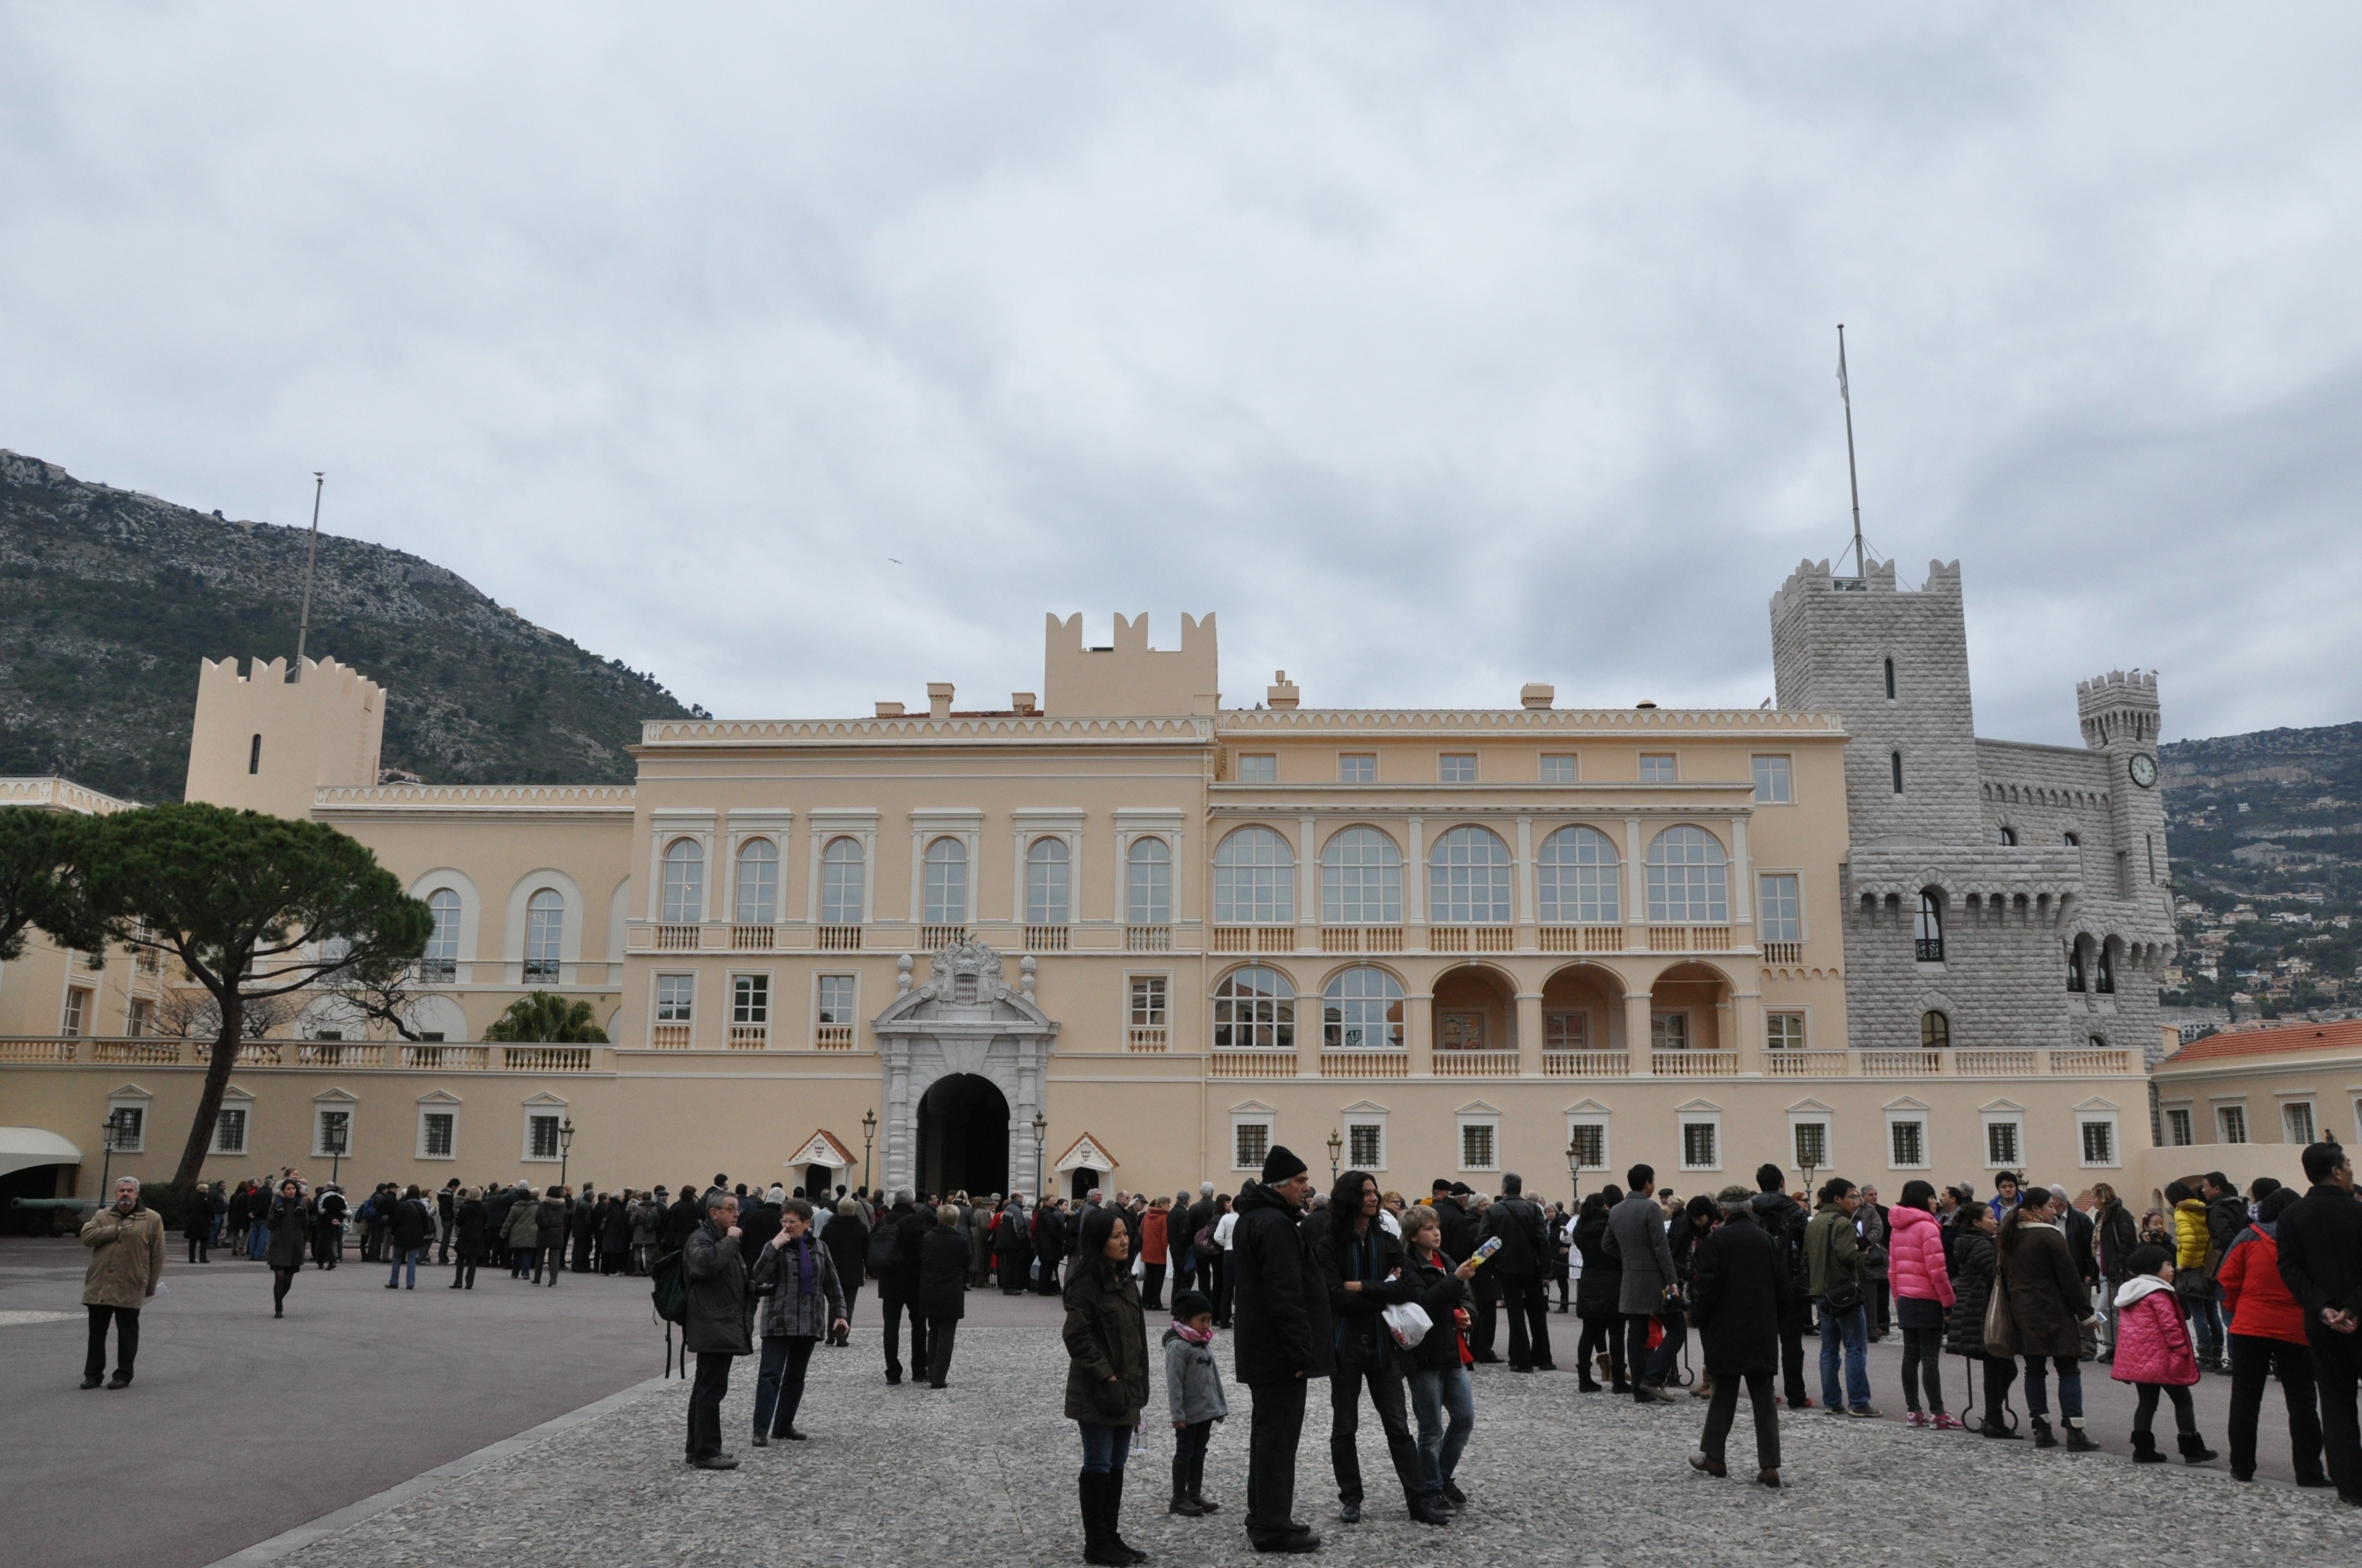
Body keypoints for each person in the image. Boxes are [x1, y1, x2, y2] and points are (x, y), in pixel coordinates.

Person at [1316, 1170, 1450, 1528]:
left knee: (1398, 1426)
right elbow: (1334, 1296)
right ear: (1350, 1199)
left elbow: (1408, 1287)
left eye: (1375, 1192)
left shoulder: (1387, 1240)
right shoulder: (1330, 1244)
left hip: (1382, 1345)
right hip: (1345, 1345)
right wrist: (1378, 1292)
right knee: (1345, 1426)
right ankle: (1351, 1497)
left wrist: (1363, 1287)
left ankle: (1418, 1500)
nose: (1374, 1198)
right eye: (1366, 1193)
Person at [1231, 1147, 1331, 1554]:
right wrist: (1299, 1352)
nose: (1307, 1189)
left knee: (1267, 1436)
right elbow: (1284, 1293)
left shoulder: (1255, 1218)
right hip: (1277, 1354)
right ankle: (1272, 1525)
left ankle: (1264, 1514)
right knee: (1277, 1439)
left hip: (1262, 1350)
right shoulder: (1274, 1224)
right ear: (1280, 1186)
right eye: (1301, 1182)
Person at [2217, 1185, 2328, 1485]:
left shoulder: (2248, 1237)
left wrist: (2236, 1308)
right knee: (2302, 1400)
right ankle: (2309, 1470)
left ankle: (2242, 1466)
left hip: (2250, 1324)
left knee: (2245, 1399)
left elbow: (2227, 1280)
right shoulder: (2307, 1241)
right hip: (2294, 1326)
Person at [2273, 1141, 2362, 1504]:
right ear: (2338, 1171)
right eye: (2349, 1164)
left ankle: (2350, 1484)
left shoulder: (2292, 1216)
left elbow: (2290, 1268)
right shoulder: (2358, 1213)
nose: (2352, 1170)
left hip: (2321, 1322)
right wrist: (2352, 1307)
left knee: (2337, 1401)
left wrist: (2322, 1306)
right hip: (2358, 1317)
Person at [1687, 1184, 1791, 1487]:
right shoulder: (1767, 1241)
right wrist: (1775, 1320)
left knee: (1724, 1394)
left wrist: (1701, 1319)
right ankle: (1770, 1464)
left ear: (1723, 1210)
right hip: (1761, 1328)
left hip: (1726, 1328)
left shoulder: (1716, 1241)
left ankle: (1715, 1456)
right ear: (1749, 1208)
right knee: (1763, 1397)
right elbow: (1783, 1287)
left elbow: (1707, 1288)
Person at [1064, 1204, 1151, 1566]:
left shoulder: (1126, 1280)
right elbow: (1077, 1336)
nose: (1124, 1241)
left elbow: (1136, 1338)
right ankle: (1096, 1542)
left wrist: (1134, 1383)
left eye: (1126, 1234)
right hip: (1098, 1390)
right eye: (1116, 1236)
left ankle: (1111, 1535)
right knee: (1098, 1463)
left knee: (1117, 1464)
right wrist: (1108, 1374)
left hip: (1127, 1388)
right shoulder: (1086, 1283)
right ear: (1099, 1242)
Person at [1999, 1183, 2100, 1450]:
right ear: (2036, 1209)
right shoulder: (2050, 1235)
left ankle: (2041, 1427)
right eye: (2050, 1206)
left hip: (2023, 1312)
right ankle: (2075, 1430)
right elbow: (2070, 1280)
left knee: (2034, 1370)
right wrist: (2086, 1315)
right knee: (2068, 1370)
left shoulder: (2009, 1235)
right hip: (2054, 1311)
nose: (2054, 1211)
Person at [1397, 1204, 1477, 1512]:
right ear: (1414, 1235)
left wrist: (1469, 1314)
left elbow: (1465, 1297)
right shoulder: (1409, 1266)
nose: (1437, 1232)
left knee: (1464, 1418)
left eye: (1437, 1227)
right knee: (1431, 1428)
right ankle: (1430, 1488)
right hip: (1424, 1354)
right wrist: (1455, 1279)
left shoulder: (1446, 1260)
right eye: (1429, 1228)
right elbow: (1423, 1304)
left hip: (1452, 1350)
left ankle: (1441, 1477)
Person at [750, 1198, 848, 1445]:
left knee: (795, 1377)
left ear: (807, 1223)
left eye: (793, 1222)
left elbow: (832, 1283)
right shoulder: (774, 1245)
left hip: (808, 1320)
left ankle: (783, 1425)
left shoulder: (820, 1248)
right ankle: (760, 1429)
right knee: (770, 1375)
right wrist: (774, 1246)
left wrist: (840, 1314)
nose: (787, 1226)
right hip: (778, 1320)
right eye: (784, 1221)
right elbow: (758, 1276)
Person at [2112, 1243, 2217, 1464]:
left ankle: (2143, 1449)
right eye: (2168, 1264)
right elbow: (2171, 1327)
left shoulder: (2131, 1293)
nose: (2172, 1269)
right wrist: (2181, 1352)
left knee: (2147, 1403)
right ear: (2154, 1269)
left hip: (2143, 1362)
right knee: (2183, 1400)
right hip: (2166, 1360)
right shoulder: (2159, 1294)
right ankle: (2191, 1448)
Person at [682, 1188, 752, 1469]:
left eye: (738, 1209)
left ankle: (696, 1447)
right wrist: (733, 1243)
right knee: (711, 1390)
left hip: (719, 1322)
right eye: (731, 1208)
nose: (737, 1214)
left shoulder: (720, 1238)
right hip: (712, 1324)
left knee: (706, 1387)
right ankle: (707, 1451)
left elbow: (728, 1277)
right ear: (714, 1212)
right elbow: (705, 1265)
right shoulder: (703, 1238)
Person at [1883, 1180, 1959, 1427]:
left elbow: (1893, 1269)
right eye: (1932, 1197)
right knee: (1929, 1358)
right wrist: (1948, 1302)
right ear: (1923, 1199)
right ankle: (1938, 1412)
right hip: (1927, 1299)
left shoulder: (1898, 1228)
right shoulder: (1928, 1228)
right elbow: (1937, 1270)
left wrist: (1898, 1297)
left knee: (1910, 1356)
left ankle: (1913, 1410)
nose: (1936, 1201)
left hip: (1906, 1297)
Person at [1604, 1164, 1681, 1404]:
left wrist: (1629, 1258)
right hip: (1653, 1279)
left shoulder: (1616, 1210)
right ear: (1648, 1184)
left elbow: (1607, 1245)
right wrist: (1672, 1279)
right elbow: (1661, 1247)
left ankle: (1639, 1388)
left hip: (1630, 1276)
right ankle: (1653, 1377)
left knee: (1636, 1334)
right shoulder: (1651, 1208)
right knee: (1677, 1328)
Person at [78, 1176, 163, 1390]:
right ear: (115, 1194)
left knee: (127, 1333)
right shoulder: (102, 1215)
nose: (126, 1194)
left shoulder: (152, 1219)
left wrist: (150, 1285)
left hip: (131, 1283)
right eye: (122, 1190)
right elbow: (87, 1237)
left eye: (130, 1190)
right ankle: (93, 1374)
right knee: (97, 1333)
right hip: (101, 1284)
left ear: (137, 1194)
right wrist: (114, 1231)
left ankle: (123, 1374)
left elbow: (158, 1254)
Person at [1805, 1177, 1874, 1418]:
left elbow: (1807, 1258)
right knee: (1855, 1349)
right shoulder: (1843, 1224)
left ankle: (1832, 1402)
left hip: (1820, 1293)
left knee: (1829, 1350)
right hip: (1842, 1293)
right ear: (1838, 1199)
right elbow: (1847, 1255)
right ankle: (1859, 1402)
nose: (1856, 1201)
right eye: (1852, 1197)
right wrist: (1863, 1256)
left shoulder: (1814, 1223)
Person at [1748, 1166, 1814, 1409]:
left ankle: (1766, 1392)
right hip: (1791, 1282)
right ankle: (1796, 1394)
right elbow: (1805, 1245)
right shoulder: (1794, 1211)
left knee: (1762, 1341)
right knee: (1792, 1343)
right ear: (1782, 1184)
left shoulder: (1751, 1211)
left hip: (1759, 1283)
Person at [1481, 1172, 1554, 1375]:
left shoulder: (1493, 1211)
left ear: (1503, 1189)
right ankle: (1543, 1357)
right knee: (1538, 1315)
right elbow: (1543, 1241)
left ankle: (1522, 1360)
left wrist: (1491, 1268)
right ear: (1520, 1188)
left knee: (1516, 1316)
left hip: (1506, 1269)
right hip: (1532, 1268)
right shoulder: (1533, 1209)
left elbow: (1484, 1241)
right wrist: (1547, 1268)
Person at [1165, 1288, 1228, 1519]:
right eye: (1202, 1320)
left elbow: (1214, 1377)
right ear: (1184, 1320)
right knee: (1185, 1451)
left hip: (1205, 1412)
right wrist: (1177, 1414)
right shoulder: (1178, 1347)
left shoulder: (1202, 1343)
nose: (1206, 1325)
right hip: (1188, 1414)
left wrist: (1220, 1406)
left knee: (1200, 1450)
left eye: (1209, 1321)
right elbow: (1174, 1383)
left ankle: (1194, 1493)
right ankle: (1179, 1498)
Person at [1571, 1188, 1625, 1393]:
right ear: (1605, 1206)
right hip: (1613, 1279)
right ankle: (1619, 1380)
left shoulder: (1580, 1227)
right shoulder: (1612, 1225)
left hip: (1589, 1280)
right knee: (1617, 1333)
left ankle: (1584, 1379)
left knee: (1588, 1332)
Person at [920, 1202, 969, 1389]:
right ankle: (939, 1377)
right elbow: (967, 1260)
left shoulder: (928, 1237)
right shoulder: (960, 1240)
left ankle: (932, 1370)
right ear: (955, 1220)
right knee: (947, 1336)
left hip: (930, 1289)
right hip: (951, 1292)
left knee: (933, 1332)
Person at [2091, 1181, 2140, 1362]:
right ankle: (2113, 1346)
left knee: (2104, 1309)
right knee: (2109, 1310)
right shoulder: (2100, 1216)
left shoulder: (2120, 1214)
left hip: (2115, 1272)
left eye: (2095, 1197)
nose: (2093, 1201)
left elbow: (2128, 1243)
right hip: (2103, 1271)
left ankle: (2119, 1347)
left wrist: (2117, 1265)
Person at [820, 1198, 867, 1343]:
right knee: (848, 1304)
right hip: (853, 1271)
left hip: (832, 1270)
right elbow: (866, 1251)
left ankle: (830, 1333)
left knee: (833, 1301)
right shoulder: (861, 1228)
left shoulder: (829, 1228)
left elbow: (822, 1248)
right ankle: (842, 1335)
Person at [266, 1177, 309, 1316]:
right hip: (278, 1243)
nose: (291, 1191)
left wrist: (302, 1215)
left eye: (293, 1189)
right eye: (288, 1189)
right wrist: (277, 1216)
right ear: (283, 1191)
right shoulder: (277, 1204)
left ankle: (278, 1299)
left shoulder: (301, 1205)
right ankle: (279, 1307)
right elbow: (270, 1225)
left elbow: (306, 1225)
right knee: (279, 1276)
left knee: (288, 1280)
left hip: (294, 1245)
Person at [994, 1192, 1032, 1296]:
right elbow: (1019, 1226)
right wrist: (1022, 1239)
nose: (1023, 1198)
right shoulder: (1016, 1210)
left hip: (1006, 1240)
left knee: (1008, 1265)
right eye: (1021, 1197)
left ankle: (1008, 1286)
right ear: (1018, 1198)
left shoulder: (1008, 1208)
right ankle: (1009, 1288)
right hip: (1013, 1242)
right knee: (1012, 1265)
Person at [449, 1187, 487, 1289]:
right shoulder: (483, 1207)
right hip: (478, 1234)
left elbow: (459, 1222)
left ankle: (458, 1281)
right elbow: (486, 1220)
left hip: (465, 1234)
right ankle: (470, 1282)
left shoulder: (464, 1207)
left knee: (461, 1257)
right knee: (473, 1259)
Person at [532, 1185, 567, 1286]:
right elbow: (565, 1218)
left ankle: (537, 1278)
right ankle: (553, 1281)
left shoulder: (544, 1204)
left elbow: (539, 1216)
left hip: (544, 1231)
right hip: (558, 1232)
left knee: (540, 1256)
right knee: (555, 1257)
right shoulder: (563, 1205)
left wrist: (544, 1225)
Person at [1141, 1196, 1170, 1312]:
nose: (1169, 1206)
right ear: (1162, 1205)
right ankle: (1155, 1303)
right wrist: (1167, 1251)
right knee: (1158, 1279)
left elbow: (1142, 1231)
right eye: (1168, 1204)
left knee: (1149, 1279)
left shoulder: (1147, 1215)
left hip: (1147, 1251)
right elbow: (1165, 1237)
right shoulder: (1164, 1218)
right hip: (1159, 1253)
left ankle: (1146, 1301)